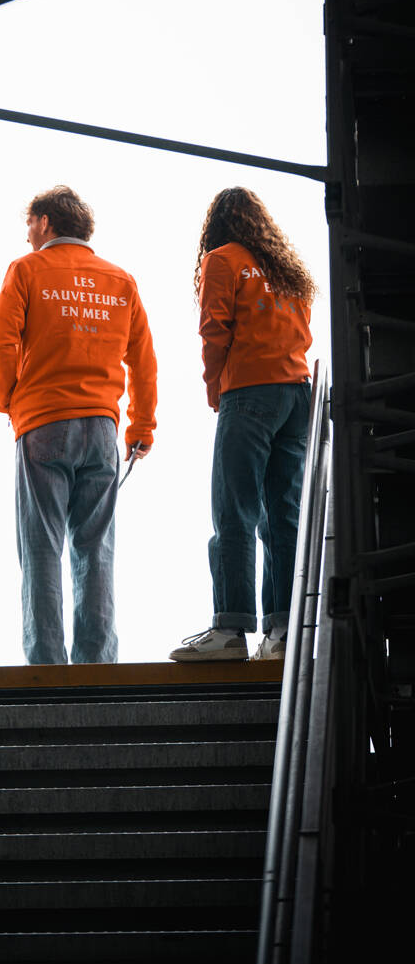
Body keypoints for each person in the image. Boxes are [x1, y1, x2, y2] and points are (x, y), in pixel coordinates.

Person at [0, 185, 157, 665]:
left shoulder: (27, 270)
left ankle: (47, 665)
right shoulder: (120, 281)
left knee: (41, 545)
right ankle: (96, 665)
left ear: (45, 221)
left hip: (43, 422)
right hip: (102, 428)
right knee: (96, 547)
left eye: (29, 224)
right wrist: (142, 425)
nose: (27, 235)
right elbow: (143, 360)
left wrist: (9, 399)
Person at [170, 187, 315, 663]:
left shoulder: (221, 260)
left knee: (234, 512)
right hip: (297, 394)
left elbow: (214, 329)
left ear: (217, 224)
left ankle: (230, 630)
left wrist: (214, 386)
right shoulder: (286, 268)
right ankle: (282, 634)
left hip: (249, 392)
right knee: (283, 518)